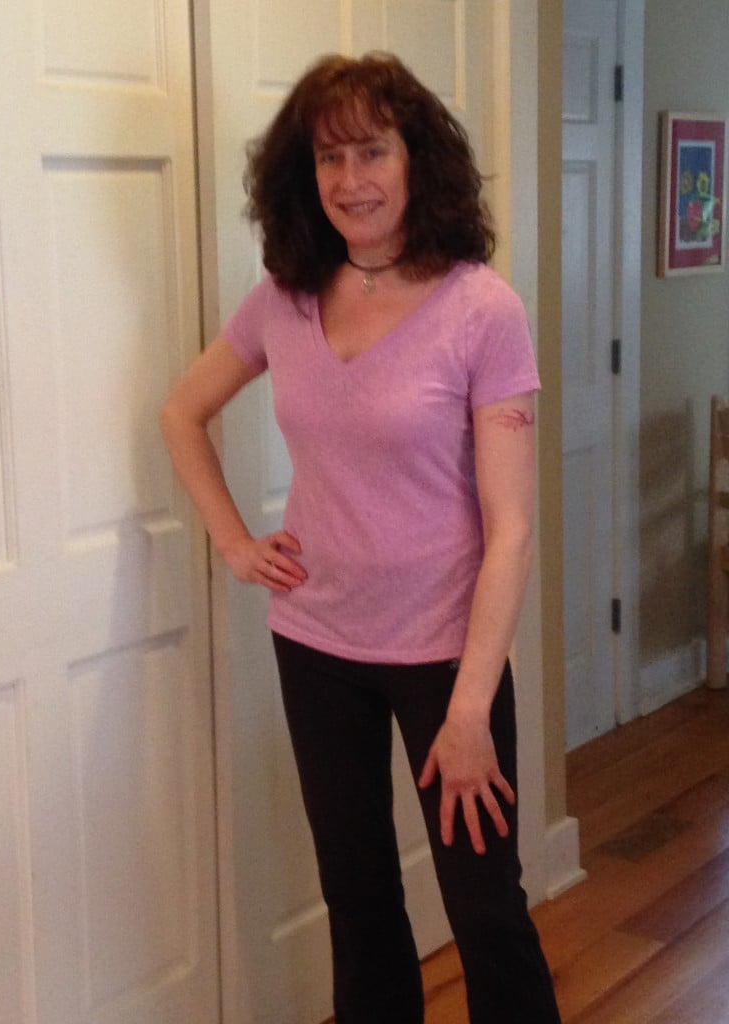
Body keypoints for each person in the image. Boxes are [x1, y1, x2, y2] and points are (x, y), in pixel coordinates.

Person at [161, 51, 561, 1024]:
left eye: (372, 151)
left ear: (417, 158)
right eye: (329, 158)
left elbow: (511, 530)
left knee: (484, 909)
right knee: (359, 897)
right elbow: (181, 411)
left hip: (445, 656)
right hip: (317, 644)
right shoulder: (286, 296)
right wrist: (234, 543)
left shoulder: (481, 308)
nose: (351, 180)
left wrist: (472, 708)